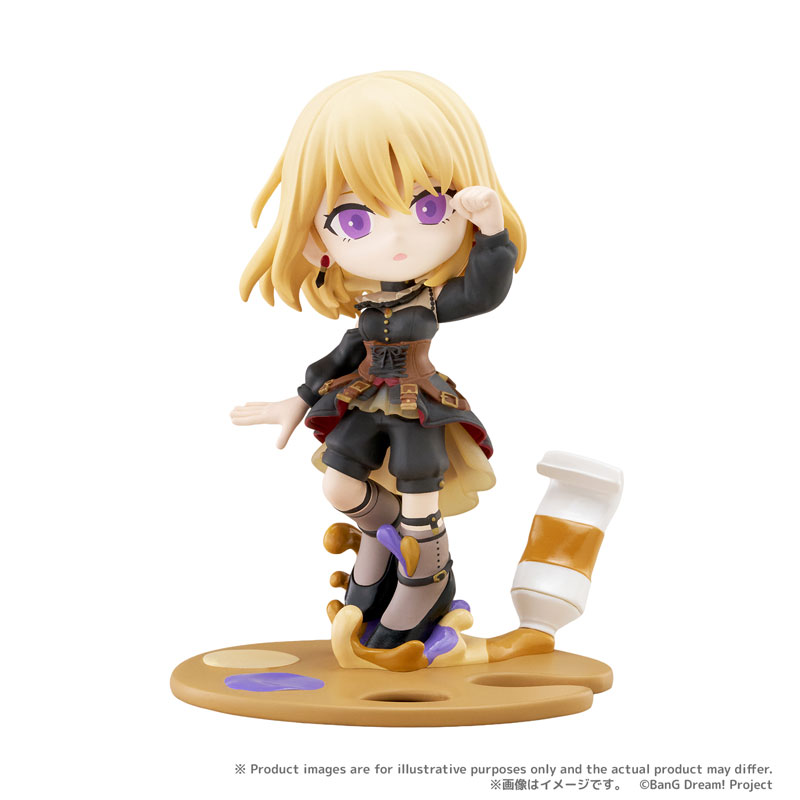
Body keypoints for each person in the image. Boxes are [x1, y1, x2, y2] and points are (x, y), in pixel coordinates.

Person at [231, 71, 526, 650]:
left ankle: (423, 574)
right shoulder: (366, 307)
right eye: (356, 219)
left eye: (427, 206)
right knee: (340, 487)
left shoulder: (431, 301)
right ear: (316, 240)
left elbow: (484, 293)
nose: (396, 236)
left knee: (420, 488)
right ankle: (396, 540)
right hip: (365, 399)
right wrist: (296, 400)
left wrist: (492, 230)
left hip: (419, 406)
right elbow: (340, 356)